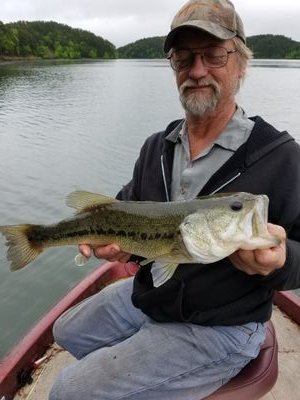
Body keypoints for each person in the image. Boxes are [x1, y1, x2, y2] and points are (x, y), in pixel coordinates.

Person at [49, 1, 300, 399]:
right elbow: (127, 204)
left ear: (241, 63)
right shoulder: (157, 146)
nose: (197, 70)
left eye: (214, 55)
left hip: (221, 324)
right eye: (183, 58)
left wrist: (281, 262)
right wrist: (115, 246)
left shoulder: (283, 157)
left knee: (68, 391)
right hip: (155, 294)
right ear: (173, 67)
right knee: (65, 330)